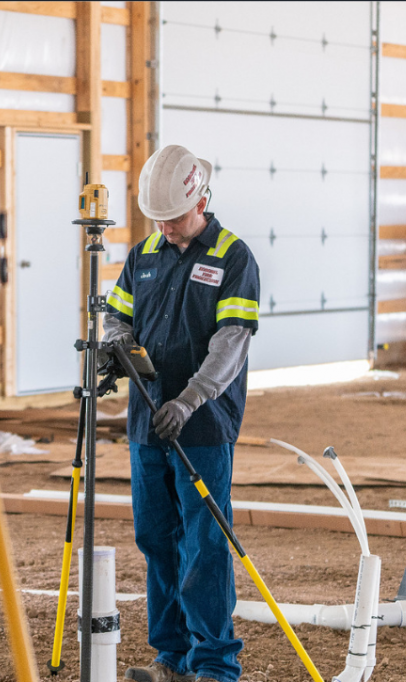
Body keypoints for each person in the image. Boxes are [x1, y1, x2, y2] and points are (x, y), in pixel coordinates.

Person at [103, 145, 260, 682]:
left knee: (204, 544)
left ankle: (215, 664)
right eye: (158, 218)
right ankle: (171, 656)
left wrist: (189, 400)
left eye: (173, 218)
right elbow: (117, 319)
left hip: (203, 429)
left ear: (201, 200)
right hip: (147, 425)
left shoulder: (233, 258)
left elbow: (231, 343)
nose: (165, 227)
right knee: (155, 538)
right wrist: (118, 349)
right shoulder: (143, 255)